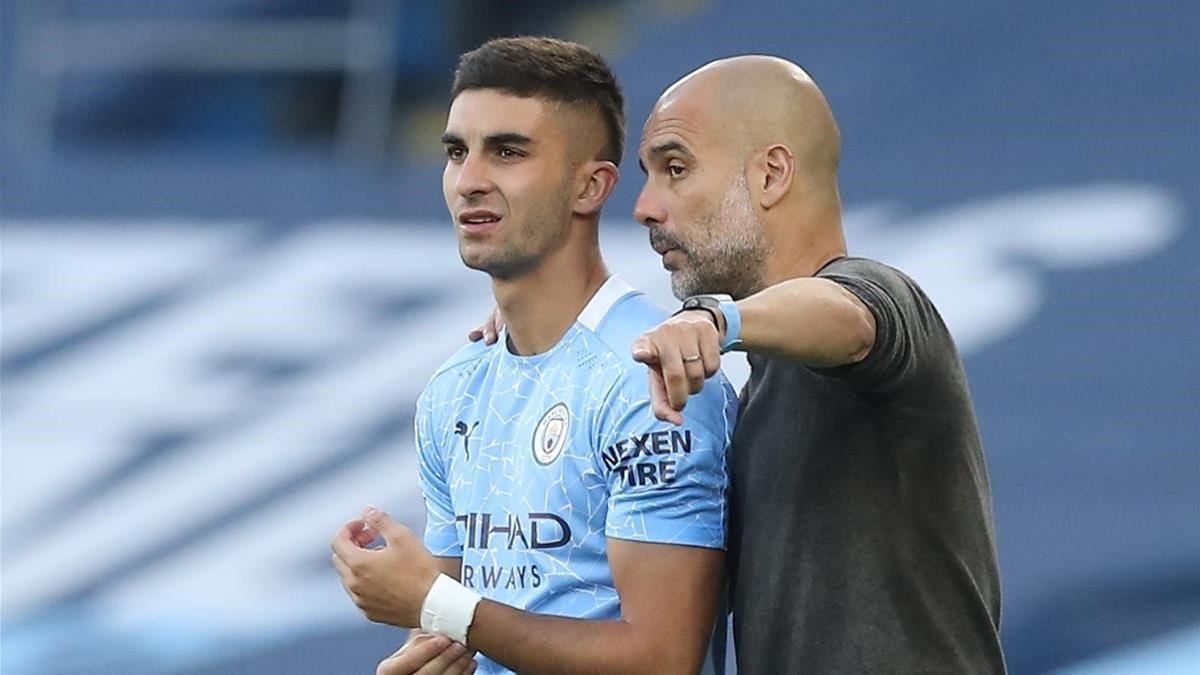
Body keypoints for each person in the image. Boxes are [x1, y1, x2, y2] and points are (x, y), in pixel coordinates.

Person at [330, 37, 738, 675]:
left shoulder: (651, 380)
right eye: (457, 152)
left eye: (508, 152)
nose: (470, 182)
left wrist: (441, 606)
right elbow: (452, 635)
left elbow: (662, 659)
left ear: (590, 186)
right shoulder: (456, 389)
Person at [627, 55, 1006, 673]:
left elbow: (850, 320)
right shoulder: (753, 404)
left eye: (676, 168)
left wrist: (718, 319)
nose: (645, 206)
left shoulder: (879, 297)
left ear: (772, 175)